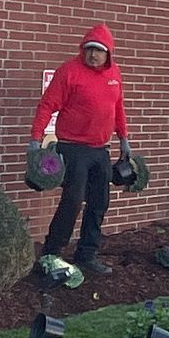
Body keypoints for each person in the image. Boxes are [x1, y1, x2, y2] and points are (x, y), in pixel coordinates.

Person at [31, 23, 132, 274]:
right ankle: (51, 254)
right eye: (88, 50)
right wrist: (35, 139)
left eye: (98, 51)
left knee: (100, 202)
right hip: (73, 148)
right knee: (72, 201)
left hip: (100, 149)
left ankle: (87, 254)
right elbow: (47, 105)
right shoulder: (69, 71)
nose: (92, 55)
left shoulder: (114, 74)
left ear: (108, 53)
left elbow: (117, 108)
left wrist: (124, 138)